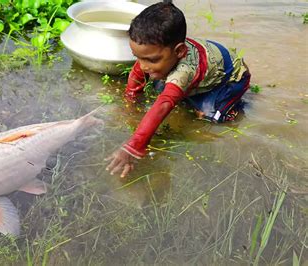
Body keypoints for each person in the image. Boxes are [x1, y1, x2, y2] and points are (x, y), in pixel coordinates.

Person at [105, 0, 251, 178]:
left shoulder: (184, 71)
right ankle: (190, 93)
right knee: (161, 86)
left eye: (151, 60)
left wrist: (134, 145)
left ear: (180, 51)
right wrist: (130, 100)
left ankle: (231, 110)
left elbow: (163, 105)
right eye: (138, 57)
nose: (143, 66)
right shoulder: (155, 55)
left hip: (229, 79)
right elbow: (136, 77)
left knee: (210, 116)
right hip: (204, 66)